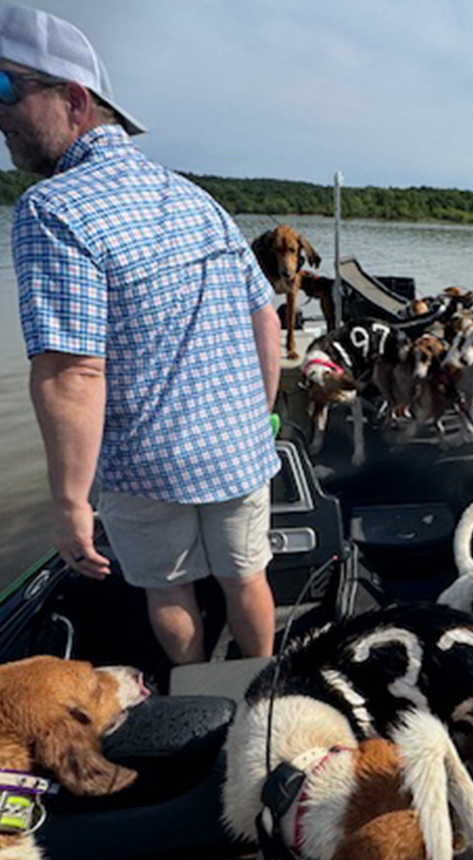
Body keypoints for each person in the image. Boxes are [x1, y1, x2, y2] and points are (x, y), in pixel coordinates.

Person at [1, 5, 282, 665]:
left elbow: (74, 370)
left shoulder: (51, 209)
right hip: (239, 451)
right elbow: (264, 317)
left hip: (145, 469)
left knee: (169, 590)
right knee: (248, 578)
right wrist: (256, 415)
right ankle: (262, 691)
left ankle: (191, 698)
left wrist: (70, 501)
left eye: (8, 88)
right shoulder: (193, 196)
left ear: (74, 100)